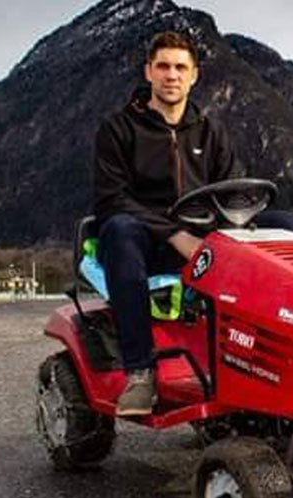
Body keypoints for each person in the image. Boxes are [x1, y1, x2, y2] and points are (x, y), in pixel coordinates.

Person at [93, 31, 242, 416]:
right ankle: (140, 372)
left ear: (194, 75)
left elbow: (233, 190)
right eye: (163, 66)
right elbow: (113, 199)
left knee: (283, 223)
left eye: (180, 67)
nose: (171, 75)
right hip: (143, 243)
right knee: (121, 230)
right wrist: (175, 234)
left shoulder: (211, 132)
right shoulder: (119, 129)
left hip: (200, 237)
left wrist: (240, 222)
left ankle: (257, 359)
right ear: (148, 73)